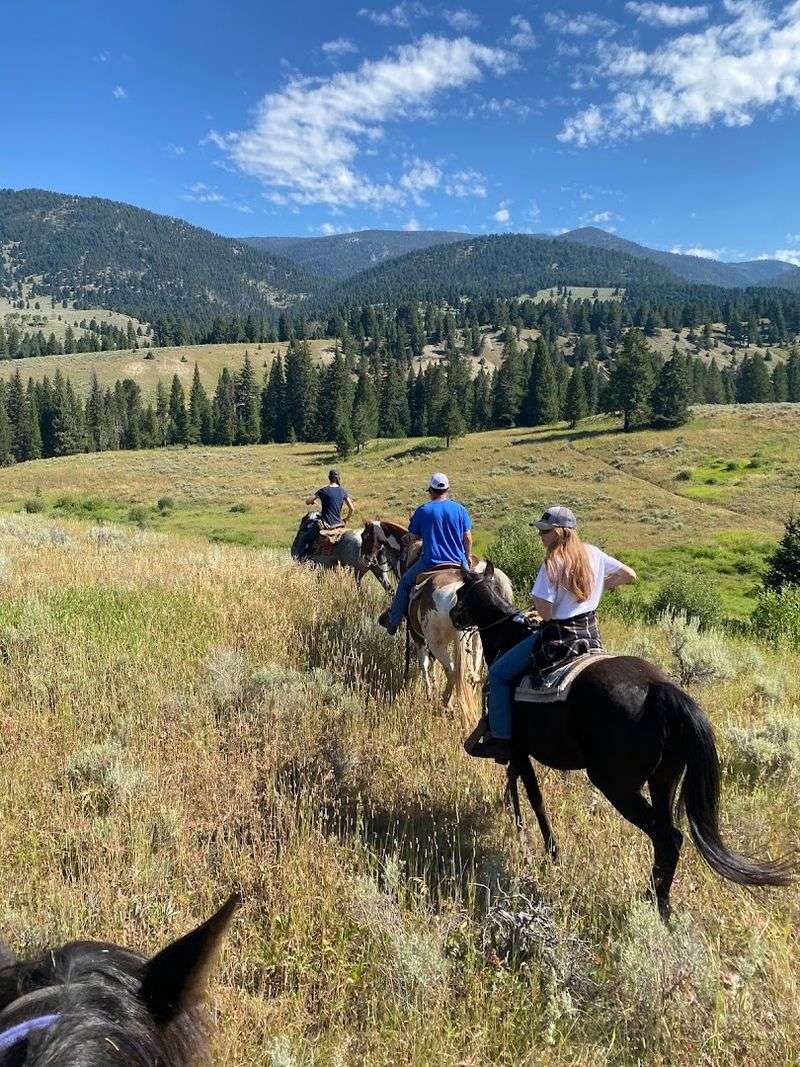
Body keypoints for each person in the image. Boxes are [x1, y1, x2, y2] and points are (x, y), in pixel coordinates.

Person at [470, 505, 637, 761]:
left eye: (545, 531)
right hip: (590, 634)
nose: (541, 536)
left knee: (499, 674)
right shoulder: (593, 553)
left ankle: (501, 740)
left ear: (559, 532)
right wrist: (599, 586)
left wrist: (541, 612)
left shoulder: (552, 562)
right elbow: (629, 574)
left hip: (559, 637)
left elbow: (546, 614)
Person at [378, 472, 473, 635]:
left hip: (431, 562)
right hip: (458, 562)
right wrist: (466, 557)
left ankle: (393, 621)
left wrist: (408, 537)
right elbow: (468, 539)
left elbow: (413, 537)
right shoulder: (460, 509)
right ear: (447, 490)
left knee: (405, 583)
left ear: (431, 490)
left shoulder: (423, 510)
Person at [294, 469, 354, 560]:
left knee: (304, 538)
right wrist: (346, 519)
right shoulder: (343, 491)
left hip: (326, 524)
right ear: (338, 478)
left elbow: (307, 501)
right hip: (339, 524)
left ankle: (301, 559)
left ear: (329, 478)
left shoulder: (323, 491)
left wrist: (312, 501)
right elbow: (352, 508)